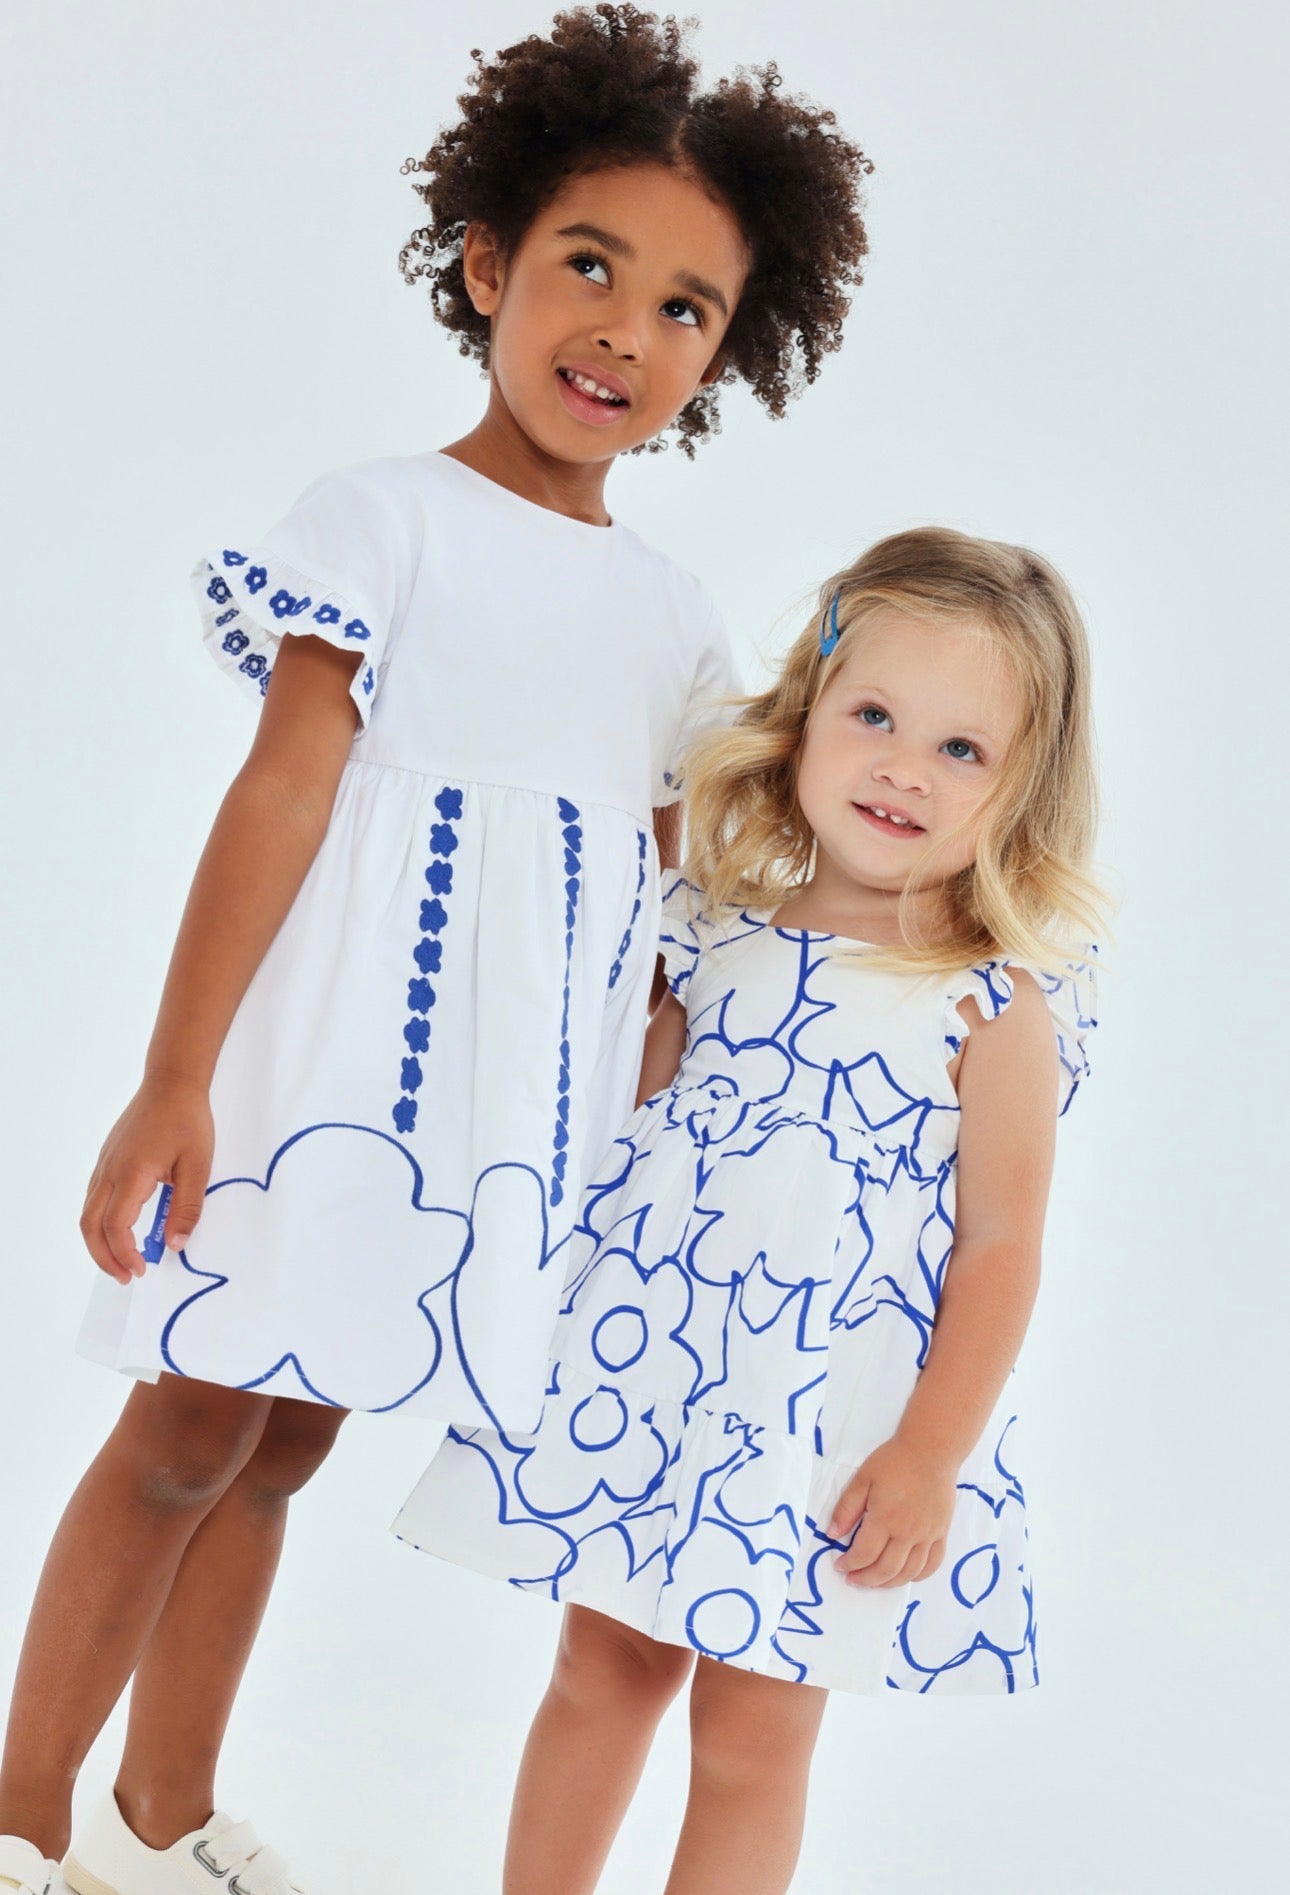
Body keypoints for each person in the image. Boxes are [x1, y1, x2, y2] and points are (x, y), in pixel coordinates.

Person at [0, 10, 873, 1894]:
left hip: (473, 1132)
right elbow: (280, 796)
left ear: (723, 354)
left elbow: (662, 894)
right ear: (486, 264)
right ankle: (16, 1817)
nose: (622, 331)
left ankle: (155, 1822)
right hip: (305, 1075)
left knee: (282, 1455)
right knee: (180, 1433)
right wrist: (173, 1078)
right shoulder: (382, 520)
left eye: (684, 308)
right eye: (588, 266)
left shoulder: (668, 614)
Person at [395, 526, 1106, 1895]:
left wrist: (929, 1452)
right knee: (600, 1669)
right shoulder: (706, 931)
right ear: (806, 716)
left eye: (962, 748)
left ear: (1025, 786)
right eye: (875, 716)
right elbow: (615, 1133)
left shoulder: (991, 1003)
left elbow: (1002, 1247)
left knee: (754, 1730)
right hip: (653, 1381)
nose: (903, 767)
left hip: (826, 1419)